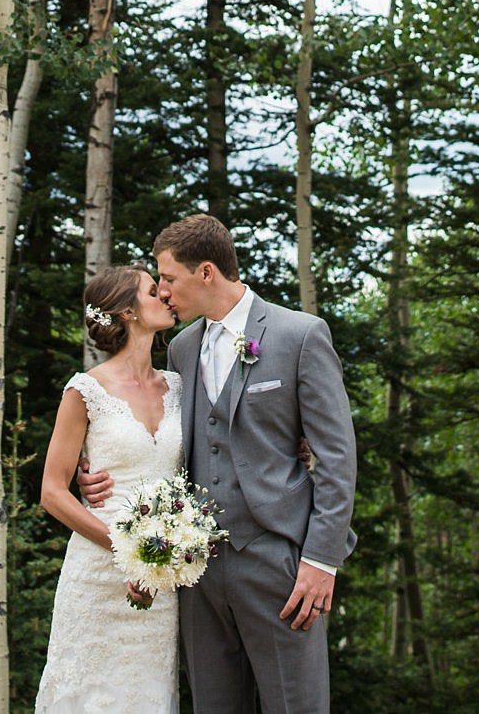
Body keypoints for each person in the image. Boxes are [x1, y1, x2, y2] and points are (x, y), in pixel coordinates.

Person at [156, 213, 356, 714]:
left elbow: (337, 455)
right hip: (200, 569)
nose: (161, 292)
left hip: (281, 563)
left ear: (206, 273)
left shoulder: (299, 335)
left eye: (169, 278)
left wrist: (321, 561)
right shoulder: (181, 348)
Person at [35, 262, 185, 713]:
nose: (164, 295)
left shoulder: (178, 386)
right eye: (152, 290)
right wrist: (130, 554)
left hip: (162, 578)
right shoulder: (85, 390)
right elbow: (52, 492)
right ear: (126, 312)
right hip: (99, 572)